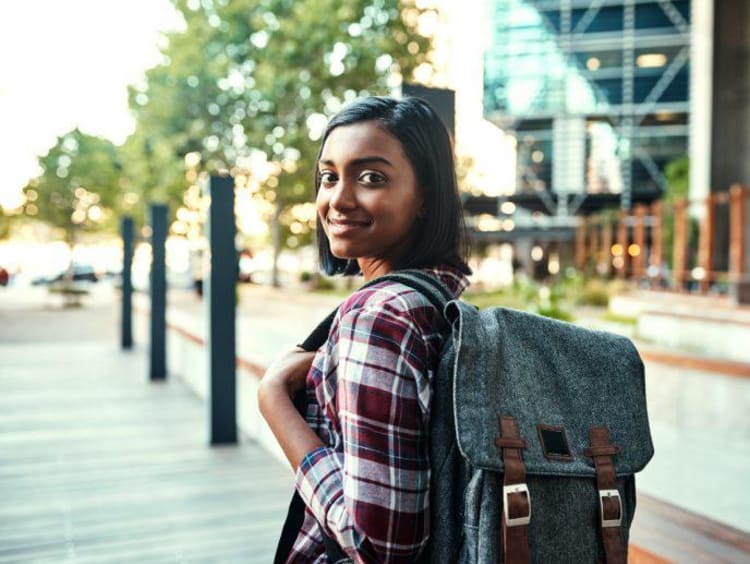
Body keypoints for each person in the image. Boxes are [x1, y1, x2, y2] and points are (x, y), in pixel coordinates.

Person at [258, 96, 471, 563]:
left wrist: (274, 401)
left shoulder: (379, 317)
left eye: (371, 177)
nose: (338, 199)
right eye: (329, 177)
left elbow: (380, 547)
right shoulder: (441, 301)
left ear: (425, 198)